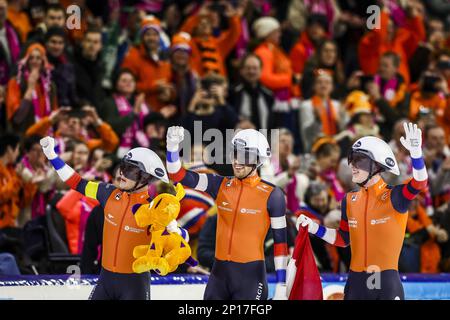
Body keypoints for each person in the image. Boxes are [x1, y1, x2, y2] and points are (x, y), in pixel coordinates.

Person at [40, 136, 189, 300]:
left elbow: (181, 241)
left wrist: (176, 231)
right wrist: (52, 156)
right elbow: (77, 183)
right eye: (123, 167)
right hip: (105, 280)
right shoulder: (108, 193)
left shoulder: (154, 210)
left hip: (134, 285)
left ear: (146, 178)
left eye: (130, 171)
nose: (122, 173)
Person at [297, 122, 428, 300]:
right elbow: (343, 239)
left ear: (377, 166)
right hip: (356, 282)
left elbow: (419, 182)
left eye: (360, 160)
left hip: (384, 282)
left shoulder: (395, 196)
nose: (352, 165)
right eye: (352, 159)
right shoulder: (349, 200)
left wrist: (416, 153)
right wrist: (314, 227)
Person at [166, 126, 288, 300]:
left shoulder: (273, 195)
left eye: (245, 156)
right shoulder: (220, 184)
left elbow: (280, 244)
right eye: (235, 154)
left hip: (251, 278)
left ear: (259, 160)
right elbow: (178, 175)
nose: (237, 161)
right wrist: (172, 147)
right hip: (219, 275)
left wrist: (282, 285)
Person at [6, 43, 57, 133]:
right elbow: (17, 118)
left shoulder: (50, 86)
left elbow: (54, 117)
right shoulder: (16, 82)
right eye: (31, 58)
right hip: (23, 137)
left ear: (43, 61)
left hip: (45, 137)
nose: (34, 61)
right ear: (26, 61)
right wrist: (30, 88)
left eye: (38, 58)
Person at [228, 53, 275, 130]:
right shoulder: (233, 93)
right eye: (248, 68)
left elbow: (272, 124)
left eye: (255, 68)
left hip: (263, 140)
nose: (251, 71)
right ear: (241, 71)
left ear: (261, 71)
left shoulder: (268, 95)